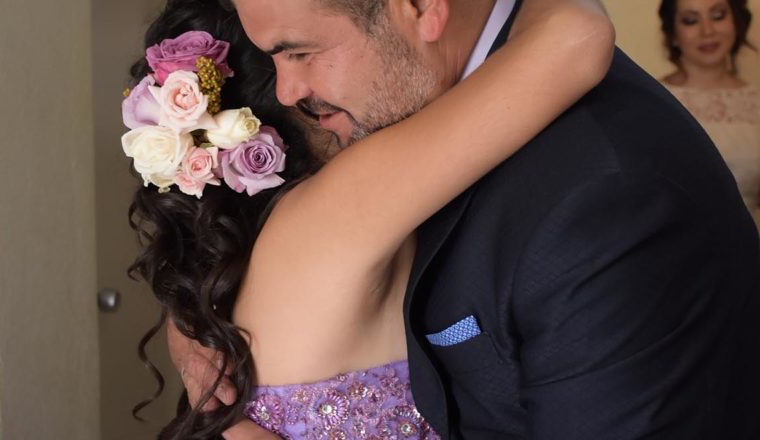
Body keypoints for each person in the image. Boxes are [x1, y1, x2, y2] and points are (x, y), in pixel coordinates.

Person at [173, 0, 760, 438]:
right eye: (273, 58)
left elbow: (577, 36)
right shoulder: (368, 176)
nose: (290, 89)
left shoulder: (604, 202)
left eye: (300, 51)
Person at [126, 0, 616, 438]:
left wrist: (184, 321)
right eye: (288, 55)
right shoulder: (334, 211)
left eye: (299, 52)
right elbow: (575, 36)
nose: (292, 88)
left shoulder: (278, 248)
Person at [658, 0, 760, 230]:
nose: (708, 31)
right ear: (673, 34)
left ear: (736, 21)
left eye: (718, 16)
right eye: (690, 20)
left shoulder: (756, 103)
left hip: (743, 246)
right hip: (671, 247)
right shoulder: (656, 101)